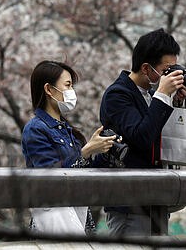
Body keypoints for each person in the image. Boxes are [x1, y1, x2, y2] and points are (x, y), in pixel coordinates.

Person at [99, 28, 186, 236]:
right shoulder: (118, 94)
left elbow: (163, 138)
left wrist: (174, 102)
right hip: (130, 207)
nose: (170, 76)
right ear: (146, 68)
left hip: (156, 203)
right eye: (167, 70)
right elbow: (142, 137)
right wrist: (163, 95)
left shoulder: (151, 94)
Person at [21, 60, 116, 235]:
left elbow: (82, 172)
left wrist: (104, 151)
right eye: (67, 85)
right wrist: (86, 150)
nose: (72, 92)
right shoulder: (35, 129)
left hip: (77, 209)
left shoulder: (67, 130)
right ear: (49, 89)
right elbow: (49, 175)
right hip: (54, 215)